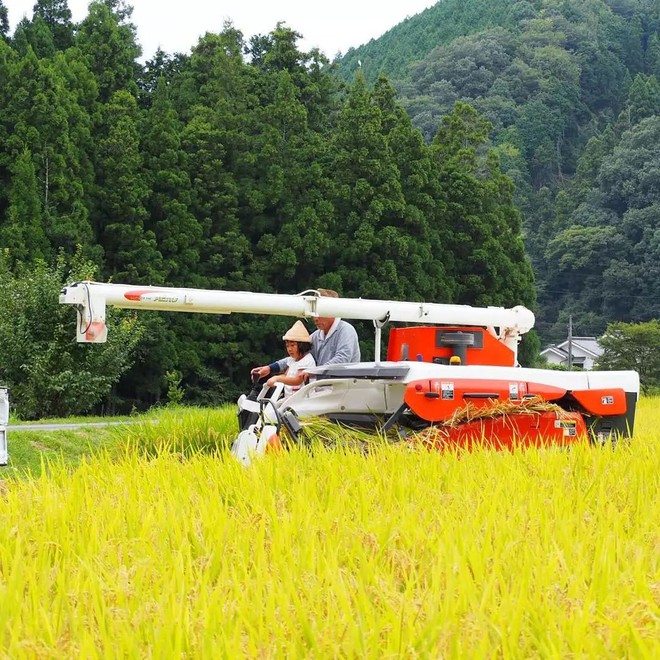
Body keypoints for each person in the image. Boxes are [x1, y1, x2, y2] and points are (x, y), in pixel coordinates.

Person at [252, 288, 361, 380]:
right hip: (324, 386)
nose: (315, 318)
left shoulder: (346, 330)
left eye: (319, 313)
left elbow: (342, 360)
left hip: (344, 388)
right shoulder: (316, 336)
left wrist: (313, 371)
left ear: (332, 312)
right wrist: (270, 368)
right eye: (314, 313)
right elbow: (298, 354)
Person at [258, 321, 316, 397]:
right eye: (287, 346)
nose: (290, 349)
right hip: (290, 397)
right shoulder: (292, 360)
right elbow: (287, 375)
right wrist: (273, 379)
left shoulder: (306, 360)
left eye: (292, 345)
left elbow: (297, 380)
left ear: (302, 345)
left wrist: (277, 378)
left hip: (302, 399)